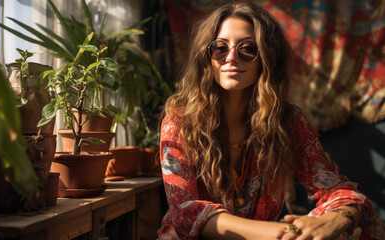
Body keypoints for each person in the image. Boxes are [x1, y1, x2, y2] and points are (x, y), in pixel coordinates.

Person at [158, 2, 385, 240]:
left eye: (247, 48)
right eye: (220, 48)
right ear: (207, 56)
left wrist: (338, 219)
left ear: (266, 57)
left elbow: (337, 190)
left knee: (352, 229)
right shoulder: (180, 123)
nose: (232, 57)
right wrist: (292, 233)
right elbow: (187, 215)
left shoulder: (288, 122)